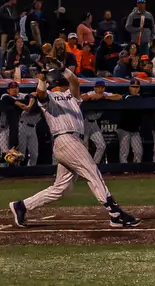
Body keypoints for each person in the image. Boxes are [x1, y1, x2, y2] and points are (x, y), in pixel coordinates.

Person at [8, 70, 141, 228]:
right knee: (92, 172)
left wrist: (63, 68)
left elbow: (76, 82)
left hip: (72, 141)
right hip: (65, 139)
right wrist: (42, 80)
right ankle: (115, 213)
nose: (67, 84)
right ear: (57, 83)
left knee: (61, 188)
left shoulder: (72, 97)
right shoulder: (49, 95)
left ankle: (21, 206)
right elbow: (41, 94)